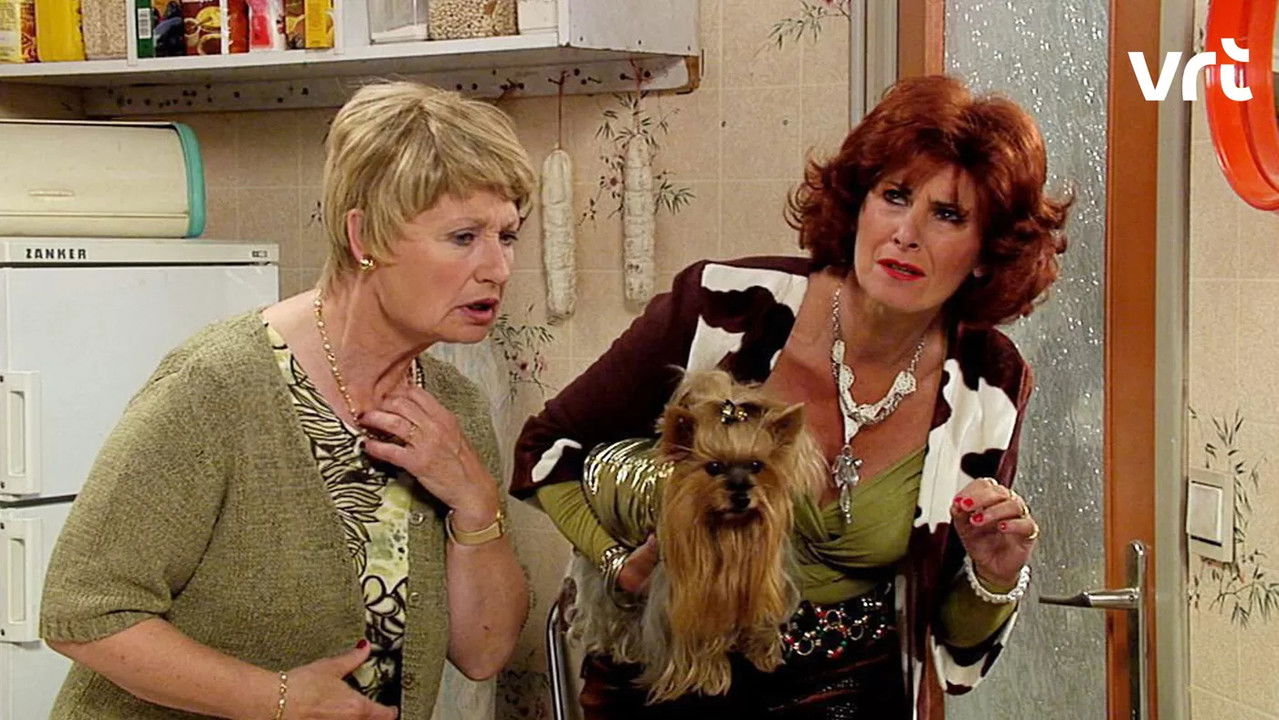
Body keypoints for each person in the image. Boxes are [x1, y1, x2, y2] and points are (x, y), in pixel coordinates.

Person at [511, 74, 1069, 718]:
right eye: (894, 196)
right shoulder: (722, 307)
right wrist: (618, 563)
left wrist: (995, 577)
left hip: (851, 695)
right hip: (668, 682)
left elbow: (952, 643)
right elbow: (545, 450)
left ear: (986, 252)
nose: (907, 232)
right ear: (859, 204)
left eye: (948, 215)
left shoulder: (988, 382)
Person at [40, 81, 535, 719]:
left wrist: (475, 501)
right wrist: (276, 700)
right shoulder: (217, 385)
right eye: (464, 237)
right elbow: (84, 613)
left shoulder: (453, 407)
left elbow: (484, 652)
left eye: (507, 236)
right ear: (365, 237)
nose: (498, 268)